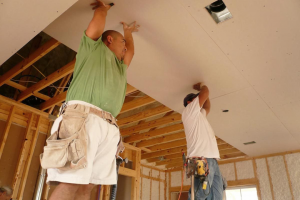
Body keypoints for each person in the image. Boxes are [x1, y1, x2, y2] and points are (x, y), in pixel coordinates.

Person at [44, 1, 139, 200]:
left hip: (109, 126)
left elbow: (130, 52)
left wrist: (128, 33)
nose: (125, 48)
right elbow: (96, 25)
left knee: (88, 186)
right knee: (71, 181)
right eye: (122, 43)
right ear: (110, 40)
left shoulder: (120, 68)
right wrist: (103, 8)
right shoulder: (93, 49)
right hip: (83, 118)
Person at [182, 83, 223, 200]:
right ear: (190, 103)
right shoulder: (189, 112)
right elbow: (205, 93)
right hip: (200, 159)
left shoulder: (200, 115)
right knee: (200, 194)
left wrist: (206, 95)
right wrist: (202, 86)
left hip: (211, 160)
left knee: (217, 195)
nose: (200, 100)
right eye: (197, 99)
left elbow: (207, 107)